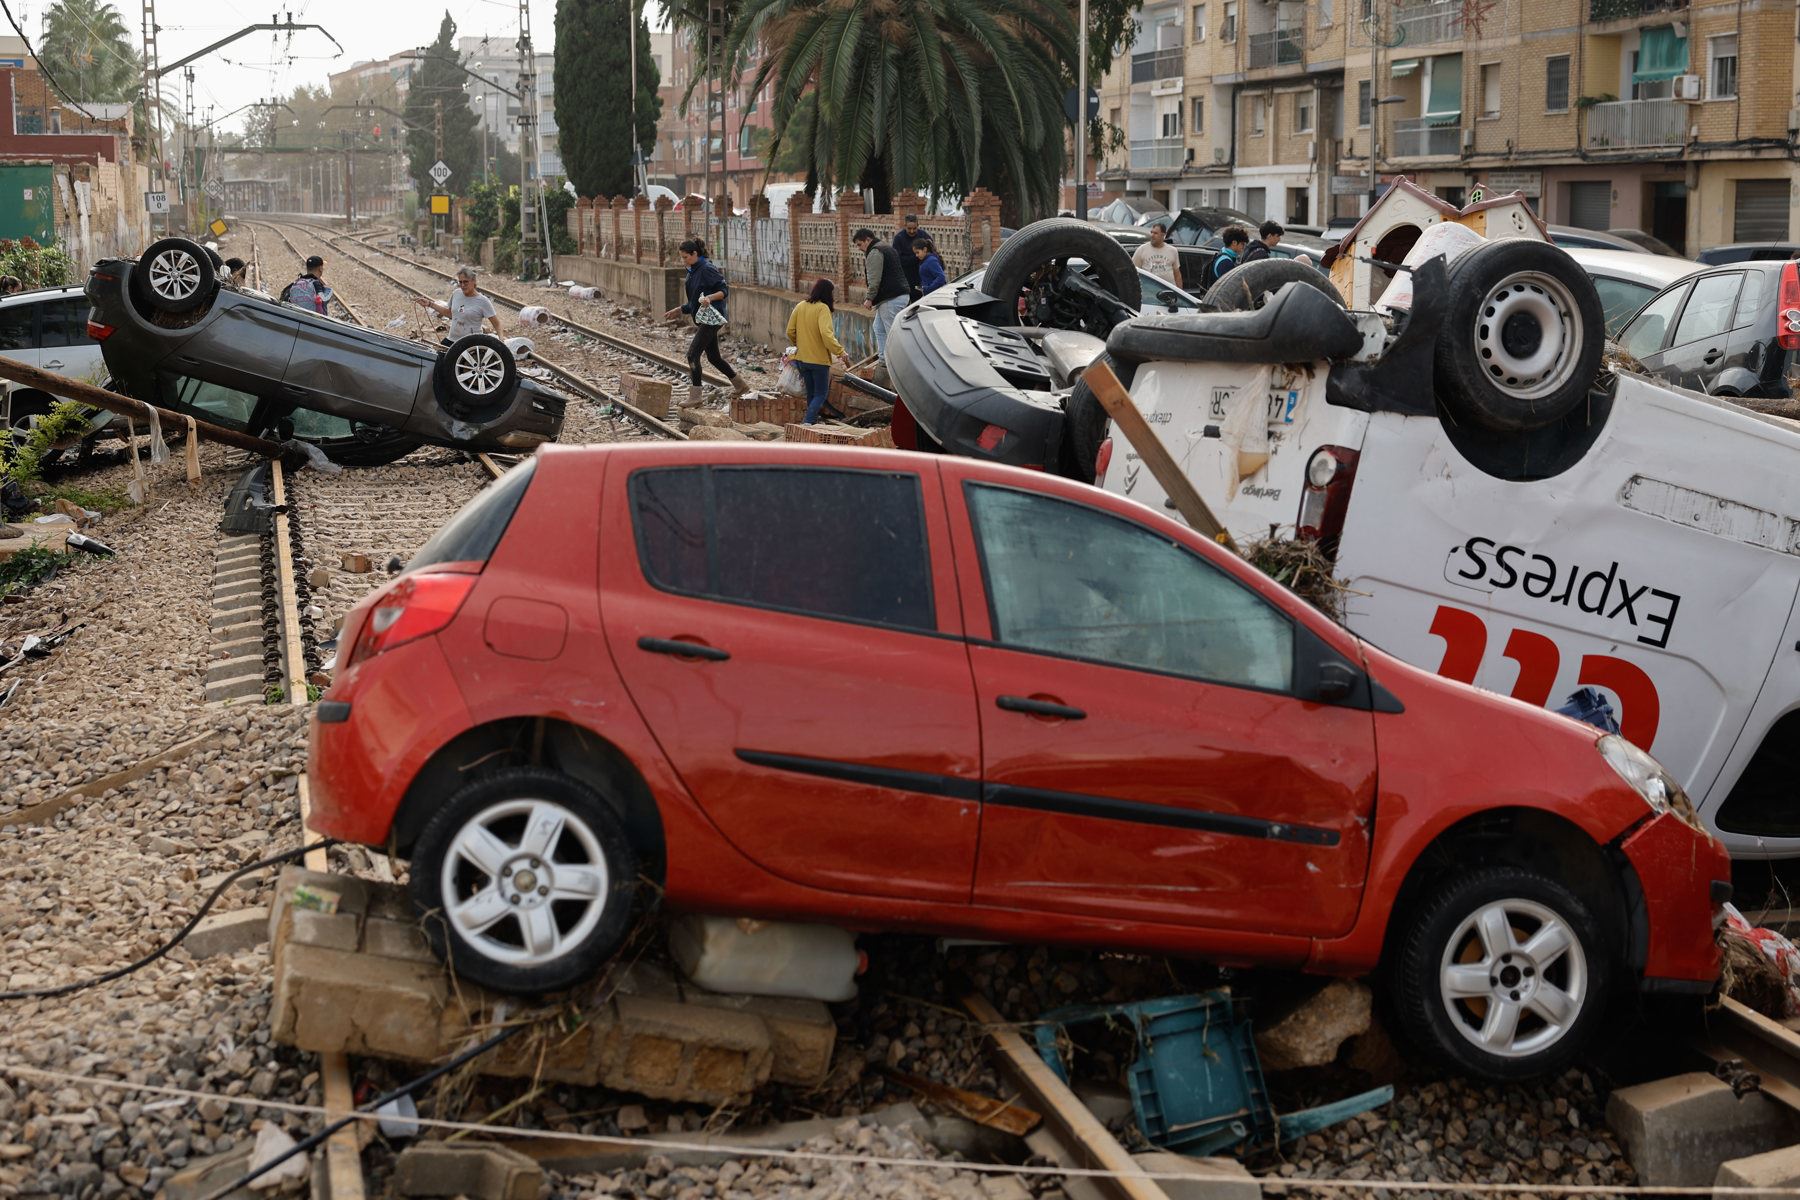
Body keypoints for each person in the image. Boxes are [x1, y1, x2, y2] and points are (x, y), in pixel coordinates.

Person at [662, 238, 749, 405]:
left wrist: (709, 297)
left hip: (712, 318)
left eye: (686, 257)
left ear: (695, 254)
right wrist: (679, 310)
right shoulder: (693, 270)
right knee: (714, 357)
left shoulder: (707, 269)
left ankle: (696, 397)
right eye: (682, 257)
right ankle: (741, 386)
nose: (684, 260)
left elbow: (724, 290)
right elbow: (694, 302)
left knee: (692, 355)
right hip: (704, 319)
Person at [785, 279, 852, 424]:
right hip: (819, 361)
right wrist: (840, 351)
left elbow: (790, 330)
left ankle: (812, 421)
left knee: (811, 393)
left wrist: (799, 343)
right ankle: (808, 422)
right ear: (828, 293)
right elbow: (826, 335)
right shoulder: (823, 309)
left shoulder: (800, 305)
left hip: (802, 359)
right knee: (821, 394)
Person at [855, 227, 909, 359]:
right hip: (899, 295)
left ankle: (897, 360)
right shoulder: (886, 247)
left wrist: (869, 298)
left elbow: (874, 279)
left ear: (867, 240)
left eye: (859, 244)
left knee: (891, 332)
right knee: (878, 327)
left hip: (890, 298)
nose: (859, 248)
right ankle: (884, 358)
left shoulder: (874, 252)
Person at [414, 266, 502, 343]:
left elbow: (497, 324)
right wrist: (429, 304)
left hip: (470, 344)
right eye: (460, 282)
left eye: (465, 282)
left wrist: (501, 340)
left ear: (473, 281)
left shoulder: (483, 301)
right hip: (452, 340)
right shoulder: (456, 293)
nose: (462, 285)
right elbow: (450, 313)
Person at [1131, 223, 1182, 289]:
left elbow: (1177, 275)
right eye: (1151, 232)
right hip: (1149, 293)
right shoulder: (1142, 249)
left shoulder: (1172, 251)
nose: (1152, 235)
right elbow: (1133, 272)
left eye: (1155, 233)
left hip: (1169, 293)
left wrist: (1180, 293)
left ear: (1163, 235)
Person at [893, 213, 924, 300]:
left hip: (921, 276)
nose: (912, 231)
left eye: (914, 228)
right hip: (905, 277)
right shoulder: (899, 238)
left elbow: (931, 252)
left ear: (918, 225)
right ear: (904, 225)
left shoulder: (923, 236)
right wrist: (916, 258)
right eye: (909, 228)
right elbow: (897, 259)